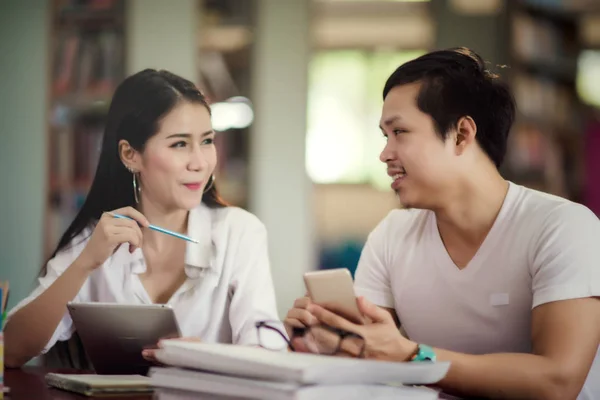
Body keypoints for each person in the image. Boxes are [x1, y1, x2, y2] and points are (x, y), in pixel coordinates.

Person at [285, 48, 600, 400]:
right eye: (384, 136)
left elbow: (556, 382)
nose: (385, 154)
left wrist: (412, 356)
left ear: (462, 134)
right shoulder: (392, 234)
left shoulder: (563, 227)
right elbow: (366, 355)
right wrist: (322, 340)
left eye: (400, 132)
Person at [5, 69, 283, 368]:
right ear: (130, 155)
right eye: (179, 144)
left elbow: (270, 355)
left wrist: (209, 357)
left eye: (206, 141)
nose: (200, 163)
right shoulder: (97, 238)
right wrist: (85, 262)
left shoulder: (239, 232)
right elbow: (10, 351)